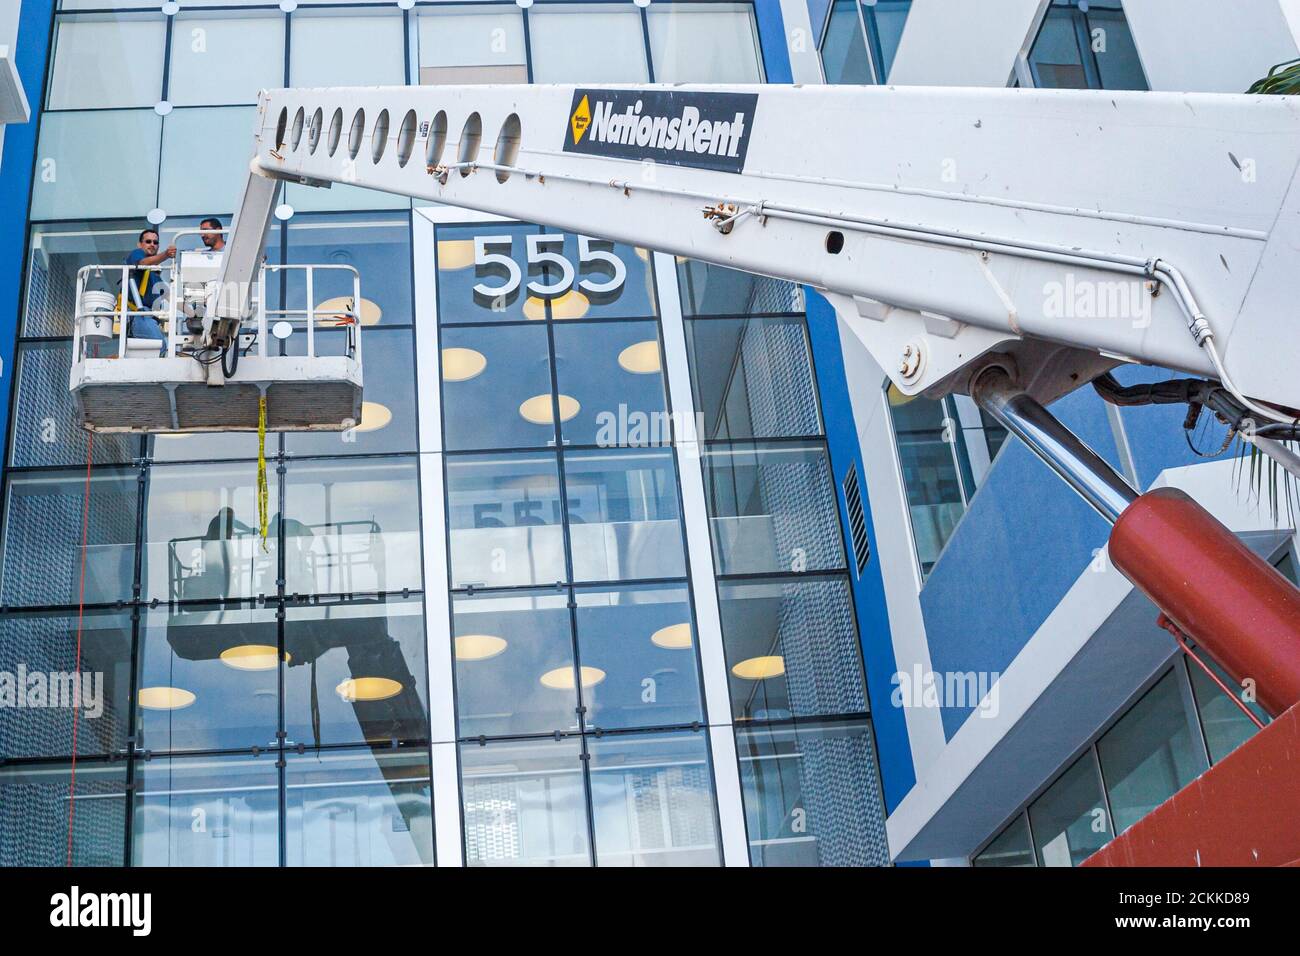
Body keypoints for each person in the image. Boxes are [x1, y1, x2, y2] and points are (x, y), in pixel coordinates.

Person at [122, 228, 175, 354]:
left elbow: (171, 298)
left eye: (155, 242)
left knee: (159, 349)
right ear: (140, 244)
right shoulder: (137, 253)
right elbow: (143, 263)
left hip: (148, 317)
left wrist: (193, 314)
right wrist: (166, 255)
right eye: (148, 241)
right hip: (139, 314)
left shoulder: (155, 277)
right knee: (160, 346)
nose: (152, 244)